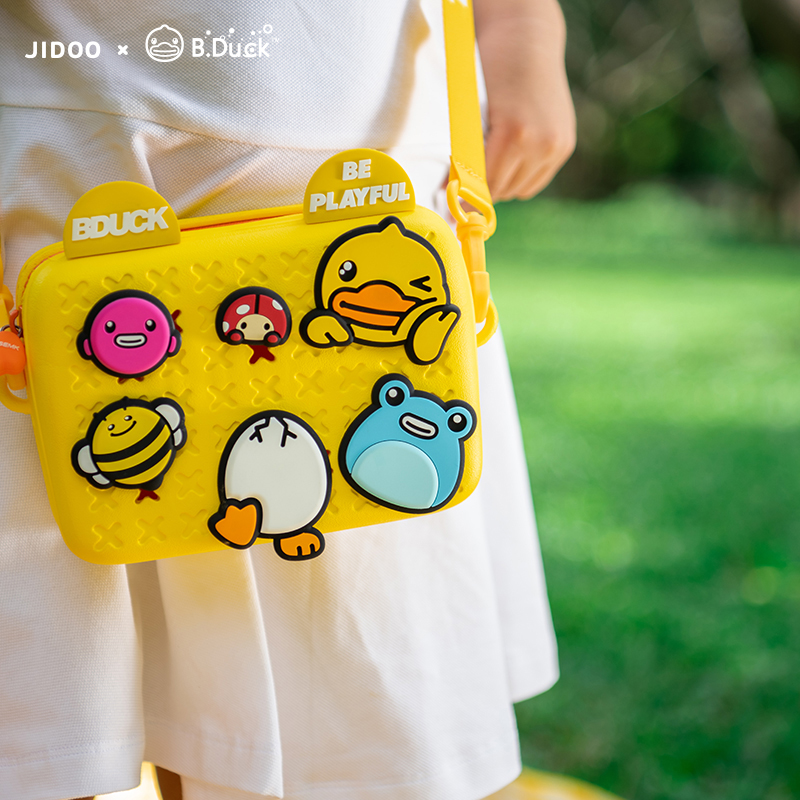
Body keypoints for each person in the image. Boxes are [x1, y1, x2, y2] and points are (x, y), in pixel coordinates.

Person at [0, 1, 575, 799]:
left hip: (350, 111)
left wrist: (525, 29)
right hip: (52, 108)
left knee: (341, 721)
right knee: (51, 722)